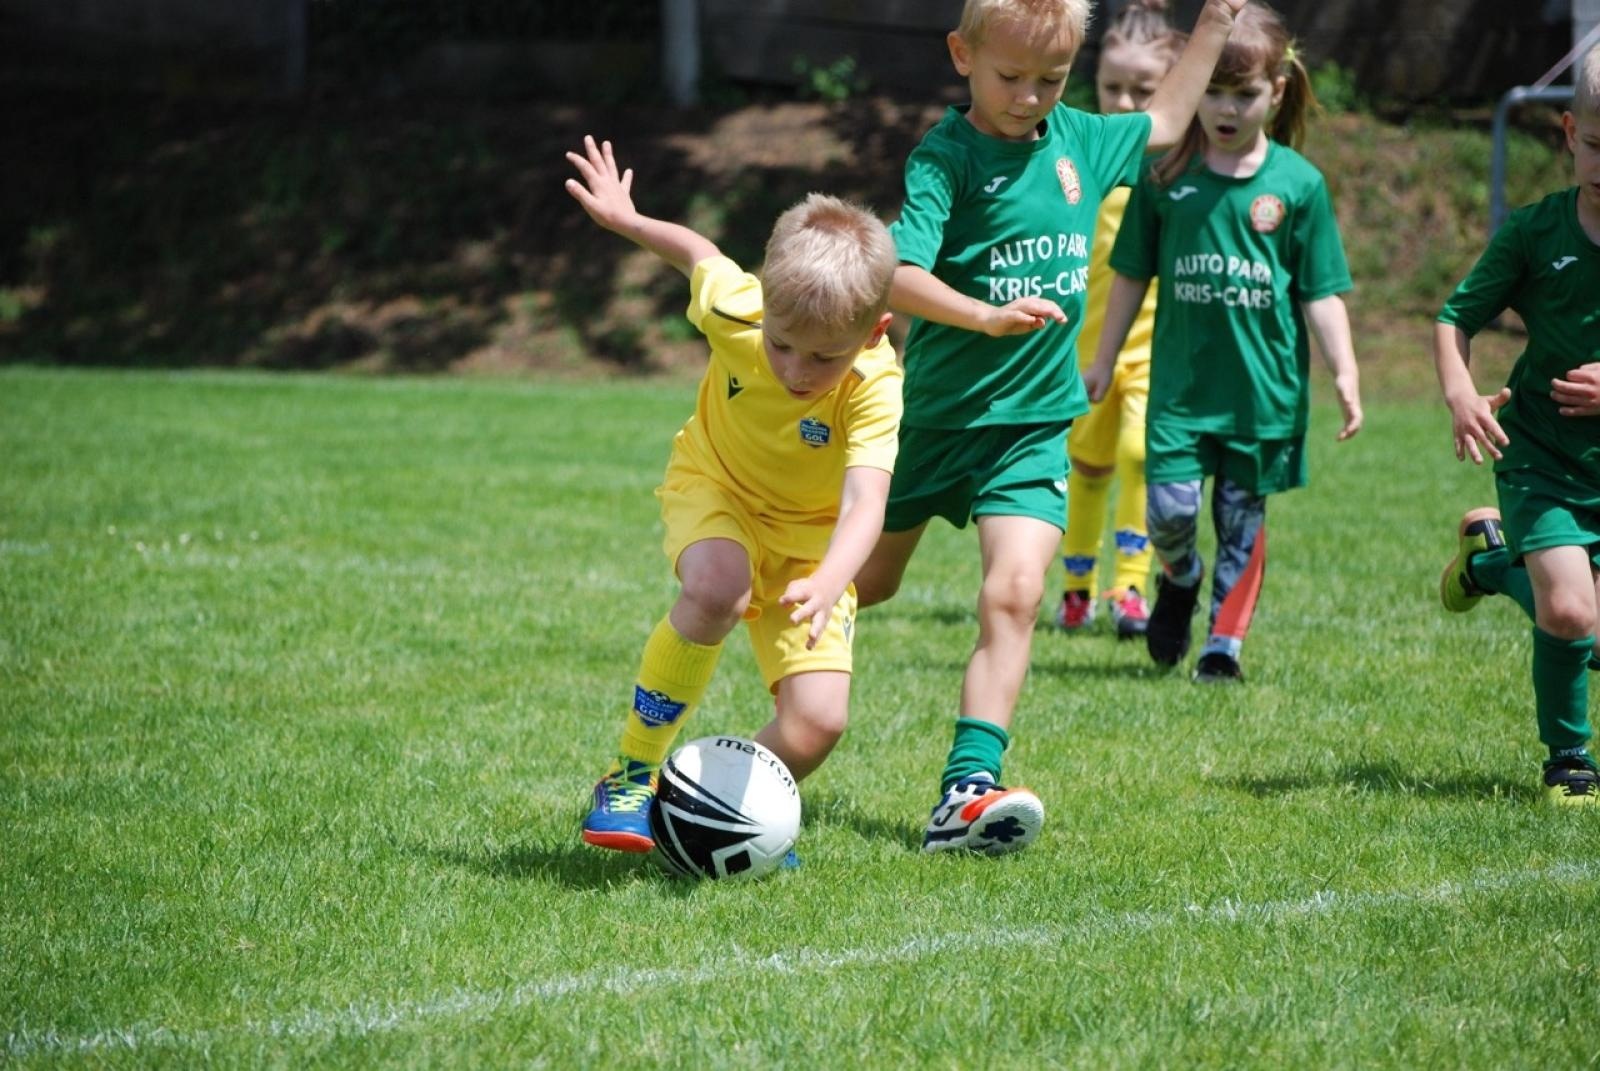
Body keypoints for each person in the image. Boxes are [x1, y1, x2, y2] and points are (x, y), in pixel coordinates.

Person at [854, 0, 1249, 855]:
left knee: (1018, 593)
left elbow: (1168, 117)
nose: (1031, 97)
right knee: (865, 586)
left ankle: (966, 789)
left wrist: (1213, 23)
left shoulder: (1080, 140)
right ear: (962, 54)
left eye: (1051, 78)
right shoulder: (945, 157)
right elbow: (896, 274)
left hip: (1035, 424)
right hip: (938, 422)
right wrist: (982, 316)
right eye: (1011, 77)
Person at [563, 135, 904, 852]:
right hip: (717, 486)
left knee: (817, 723)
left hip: (812, 548)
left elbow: (865, 502)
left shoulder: (876, 385)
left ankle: (703, 820)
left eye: (823, 356)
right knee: (717, 584)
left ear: (874, 332)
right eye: (782, 344)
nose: (795, 369)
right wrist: (628, 221)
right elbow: (698, 252)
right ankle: (631, 774)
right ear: (766, 305)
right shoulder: (739, 311)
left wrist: (829, 579)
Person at [1084, 1, 1362, 684]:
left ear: (1277, 90)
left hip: (1260, 398)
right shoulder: (1165, 178)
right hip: (1180, 393)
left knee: (1242, 521)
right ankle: (1180, 577)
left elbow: (1320, 292)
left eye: (1244, 93)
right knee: (1170, 512)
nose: (1226, 107)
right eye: (1212, 89)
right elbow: (1129, 274)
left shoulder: (1298, 186)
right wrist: (1104, 358)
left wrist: (1345, 373)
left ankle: (1222, 649)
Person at [1434, 41, 1600, 807]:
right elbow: (1455, 317)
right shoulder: (1537, 234)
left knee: (1582, 616)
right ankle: (1569, 761)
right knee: (1571, 611)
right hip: (1542, 454)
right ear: (1569, 133)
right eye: (1595, 145)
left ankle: (1489, 563)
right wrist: (1462, 393)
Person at [1055, 0, 1185, 638]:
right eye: (1113, 87)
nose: (1127, 103)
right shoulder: (1083, 152)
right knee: (1087, 465)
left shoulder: (1174, 164)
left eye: (1145, 90)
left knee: (1138, 455)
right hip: (1084, 351)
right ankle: (1076, 587)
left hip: (1153, 349)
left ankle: (1130, 586)